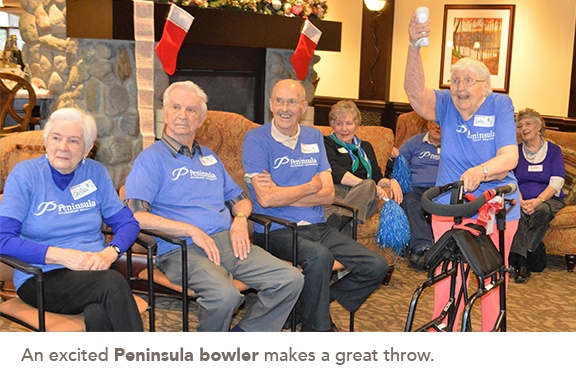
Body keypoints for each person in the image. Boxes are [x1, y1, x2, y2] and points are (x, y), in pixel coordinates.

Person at [124, 81, 304, 332]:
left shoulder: (209, 157)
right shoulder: (151, 159)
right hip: (181, 249)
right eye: (176, 107)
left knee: (290, 279)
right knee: (225, 295)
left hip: (228, 243)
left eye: (191, 110)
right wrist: (191, 230)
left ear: (201, 119)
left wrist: (240, 219)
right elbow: (136, 216)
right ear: (165, 113)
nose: (183, 115)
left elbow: (240, 198)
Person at [242, 79, 389, 332]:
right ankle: (317, 329)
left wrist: (282, 192)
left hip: (318, 226)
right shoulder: (256, 139)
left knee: (376, 266)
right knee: (320, 258)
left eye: (292, 101)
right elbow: (265, 200)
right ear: (270, 104)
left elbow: (328, 193)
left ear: (303, 106)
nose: (285, 108)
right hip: (276, 229)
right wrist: (310, 188)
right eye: (279, 100)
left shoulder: (313, 137)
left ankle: (303, 308)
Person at [405, 12, 520, 331]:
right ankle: (446, 330)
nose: (460, 87)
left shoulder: (499, 105)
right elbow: (416, 95)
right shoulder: (445, 104)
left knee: (490, 276)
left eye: (468, 80)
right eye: (455, 80)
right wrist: (414, 45)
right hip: (450, 205)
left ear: (486, 86)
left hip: (495, 207)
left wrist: (481, 171)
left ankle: (490, 335)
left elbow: (509, 156)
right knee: (447, 273)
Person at [0, 108, 143, 332]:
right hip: (40, 277)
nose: (63, 147)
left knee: (98, 313)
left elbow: (128, 223)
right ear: (46, 141)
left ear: (87, 149)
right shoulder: (25, 175)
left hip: (93, 272)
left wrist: (110, 253)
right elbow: (3, 239)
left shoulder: (95, 173)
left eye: (74, 141)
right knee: (112, 283)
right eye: (56, 138)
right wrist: (61, 255)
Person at [323, 100, 402, 231]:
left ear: (356, 125)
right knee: (368, 185)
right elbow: (334, 171)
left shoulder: (366, 146)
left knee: (369, 185)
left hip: (365, 196)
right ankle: (346, 223)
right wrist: (366, 185)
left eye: (349, 123)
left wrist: (391, 182)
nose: (344, 128)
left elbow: (377, 177)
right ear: (332, 125)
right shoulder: (327, 143)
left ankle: (340, 221)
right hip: (338, 192)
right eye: (338, 124)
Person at [509, 108, 565, 283]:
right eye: (519, 126)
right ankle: (525, 262)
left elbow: (557, 182)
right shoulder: (515, 151)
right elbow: (512, 180)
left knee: (541, 211)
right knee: (516, 213)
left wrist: (537, 200)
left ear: (539, 126)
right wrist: (521, 200)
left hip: (549, 199)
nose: (523, 128)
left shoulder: (554, 151)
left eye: (528, 123)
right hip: (521, 198)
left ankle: (521, 259)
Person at [398, 120, 441, 271]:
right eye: (434, 122)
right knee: (409, 201)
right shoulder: (414, 142)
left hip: (441, 190)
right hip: (416, 189)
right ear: (428, 124)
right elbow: (398, 161)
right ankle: (424, 247)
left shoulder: (454, 145)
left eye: (442, 123)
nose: (438, 126)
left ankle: (440, 249)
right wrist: (392, 155)